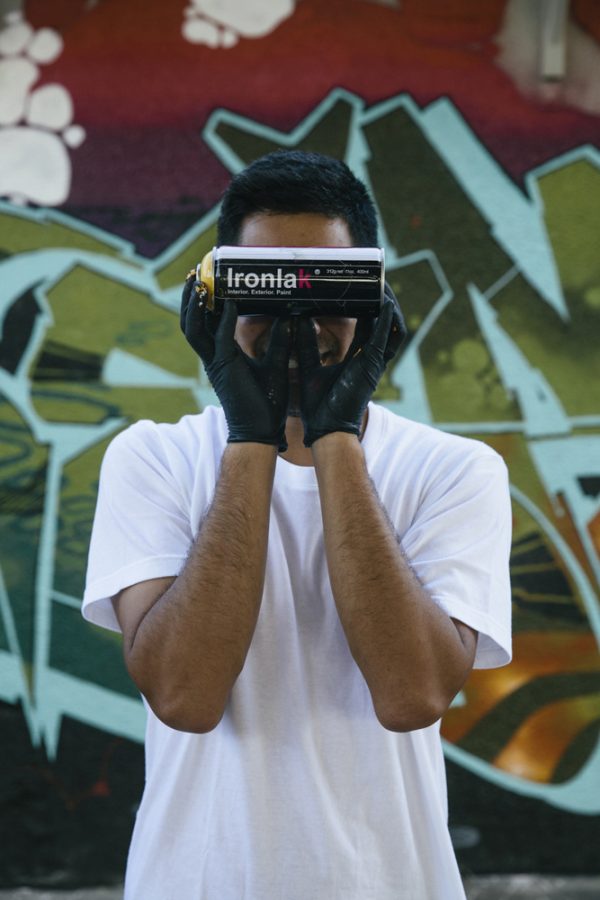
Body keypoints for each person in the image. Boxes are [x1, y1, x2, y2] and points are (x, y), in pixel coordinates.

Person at [83, 150, 512, 899]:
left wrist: (334, 432)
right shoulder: (152, 459)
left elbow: (412, 697)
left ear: (373, 304)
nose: (296, 328)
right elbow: (185, 696)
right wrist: (251, 436)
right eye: (265, 294)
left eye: (326, 293)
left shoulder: (454, 470)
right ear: (217, 304)